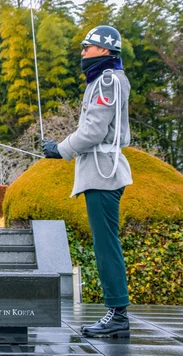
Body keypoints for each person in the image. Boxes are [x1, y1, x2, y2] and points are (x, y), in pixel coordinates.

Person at [42, 25, 133, 338]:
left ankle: (118, 314)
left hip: (103, 172)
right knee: (105, 244)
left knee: (107, 246)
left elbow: (94, 130)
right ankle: (116, 313)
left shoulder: (107, 80)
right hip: (99, 169)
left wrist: (60, 149)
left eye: (88, 47)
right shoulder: (103, 79)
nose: (82, 52)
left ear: (105, 50)